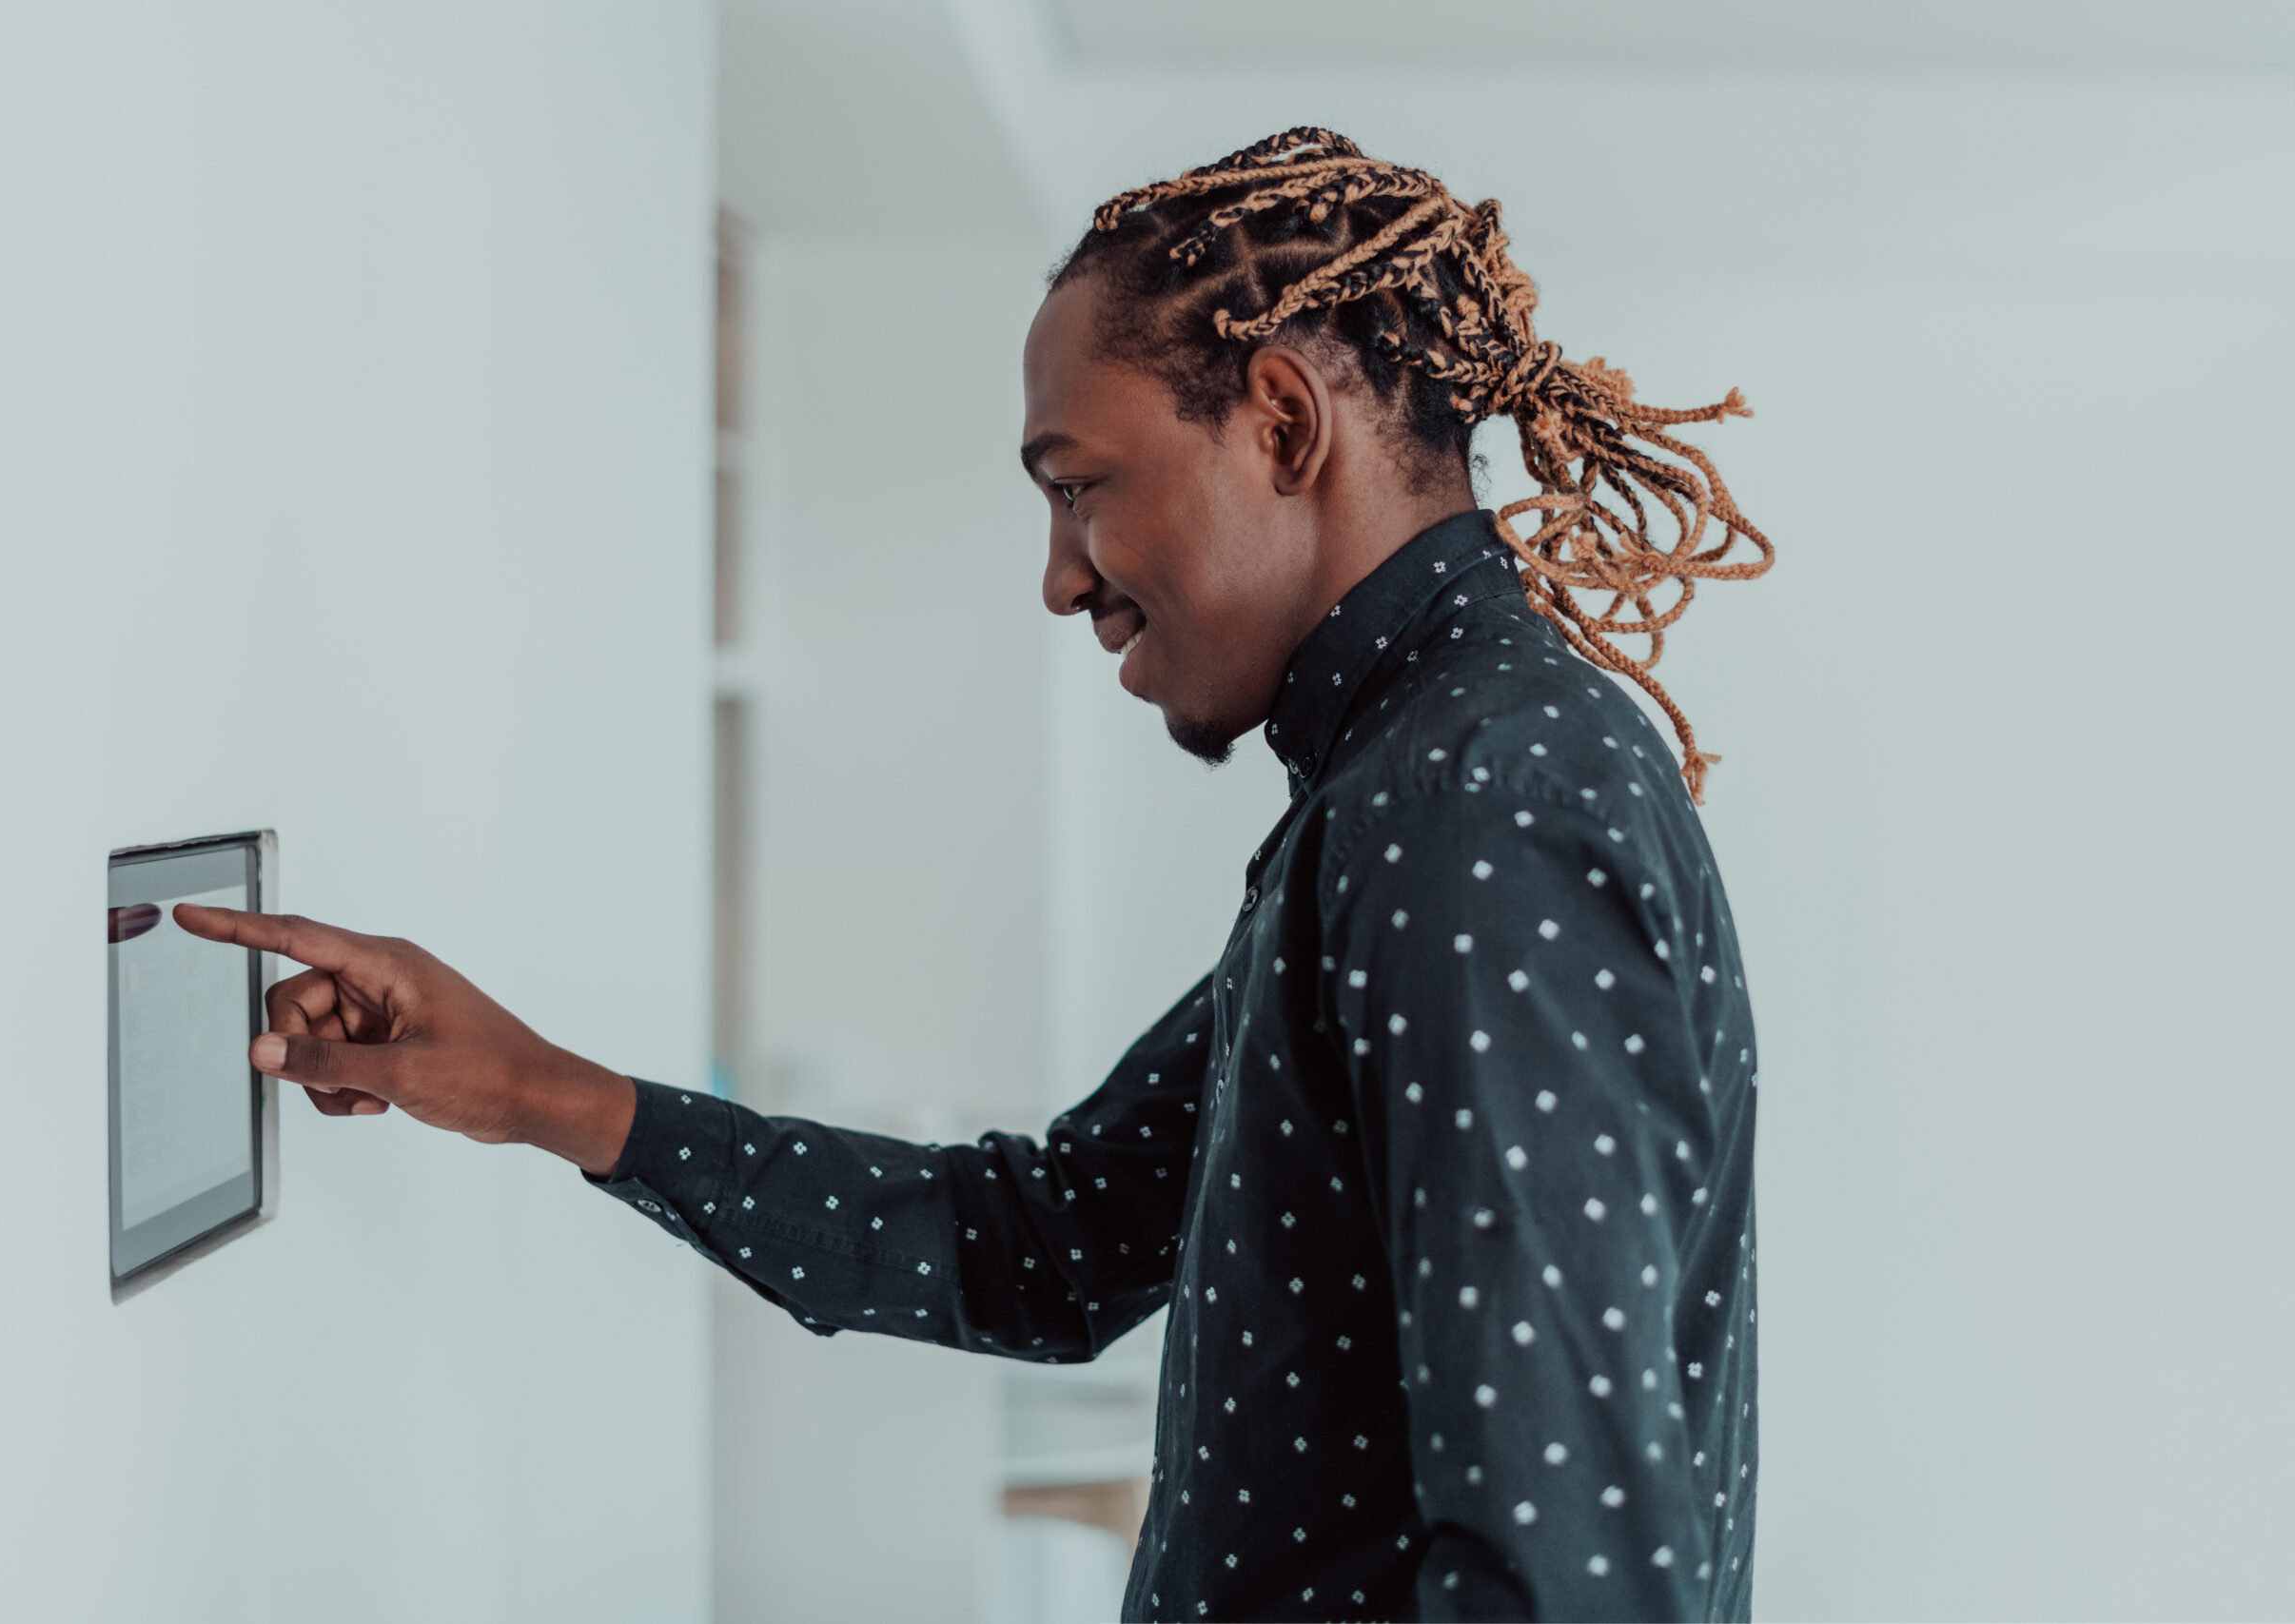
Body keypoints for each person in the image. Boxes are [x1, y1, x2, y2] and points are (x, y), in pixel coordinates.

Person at [180, 128, 1774, 1622]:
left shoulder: (1470, 807)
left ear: (1284, 424)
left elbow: (1571, 1580)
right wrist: (539, 1090)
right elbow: (1051, 1242)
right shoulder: (1404, 794)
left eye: (1079, 485)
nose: (1061, 574)